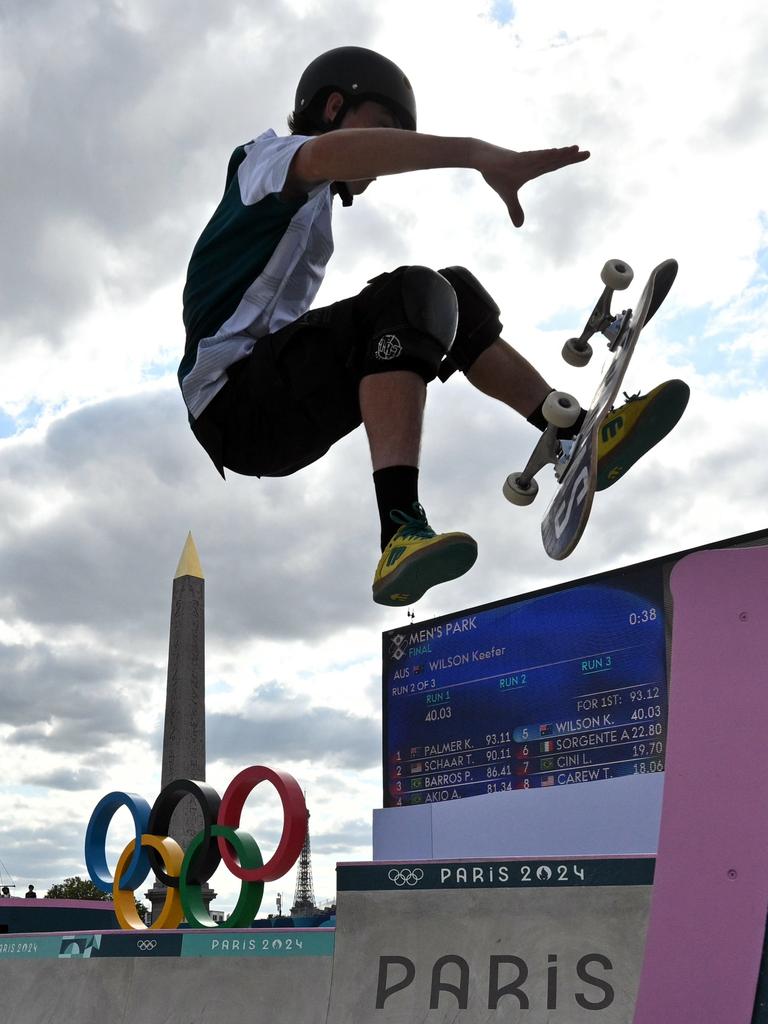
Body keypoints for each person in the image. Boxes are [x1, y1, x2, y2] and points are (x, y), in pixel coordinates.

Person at [180, 46, 688, 606]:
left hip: (275, 411)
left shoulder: (314, 210)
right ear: (332, 107)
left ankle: (571, 437)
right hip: (231, 401)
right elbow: (327, 157)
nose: (380, 155)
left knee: (452, 293)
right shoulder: (265, 160)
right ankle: (399, 531)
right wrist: (474, 154)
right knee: (407, 294)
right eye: (381, 127)